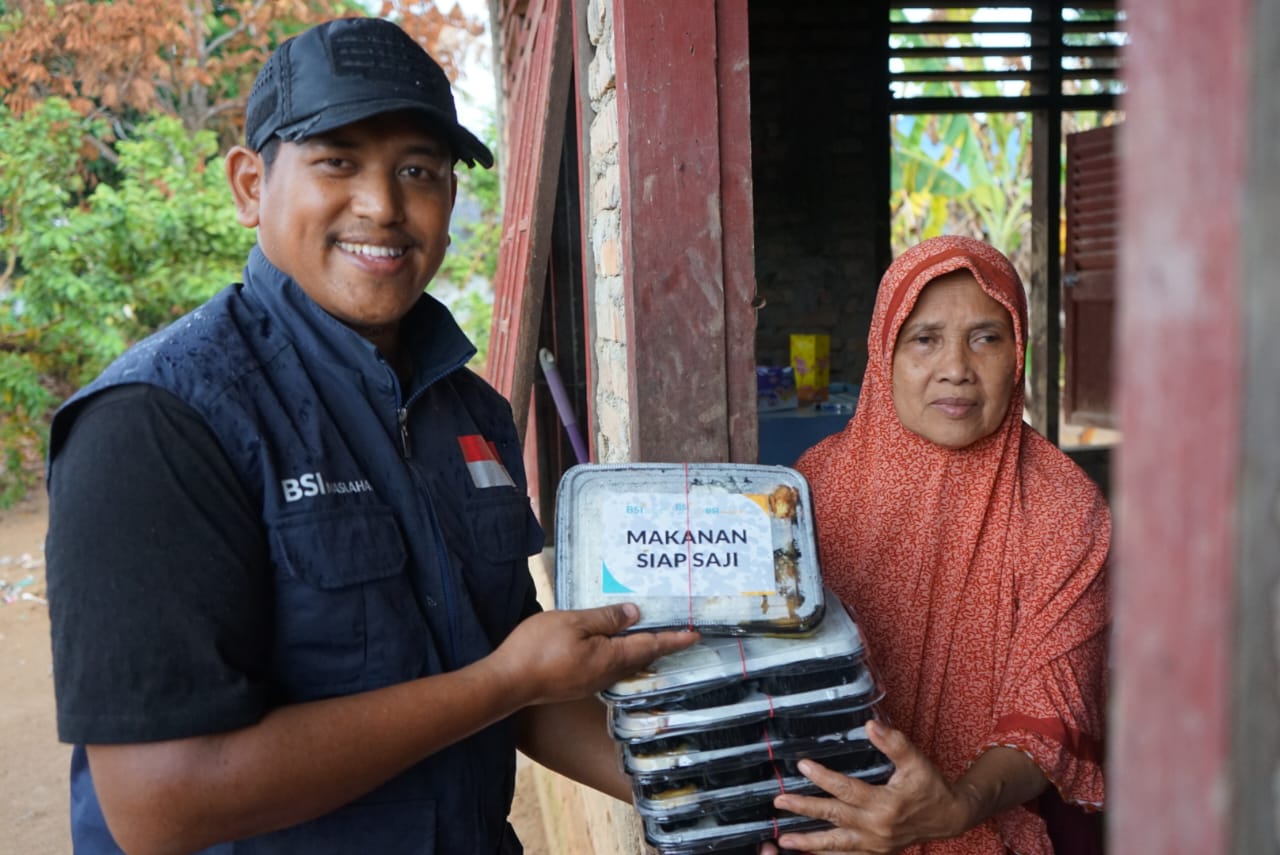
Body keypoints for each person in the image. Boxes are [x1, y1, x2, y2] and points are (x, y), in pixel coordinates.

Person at [43, 17, 697, 855]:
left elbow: (532, 684)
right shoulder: (157, 422)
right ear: (250, 185)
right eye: (337, 161)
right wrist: (498, 682)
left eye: (418, 169)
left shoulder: (471, 412)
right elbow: (162, 799)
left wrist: (723, 798)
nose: (384, 206)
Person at [764, 235, 1109, 855]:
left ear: (1019, 354)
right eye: (924, 338)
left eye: (986, 337)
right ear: (883, 353)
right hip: (829, 833)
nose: (956, 367)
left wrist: (958, 806)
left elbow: (1055, 704)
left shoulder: (1064, 506)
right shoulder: (814, 489)